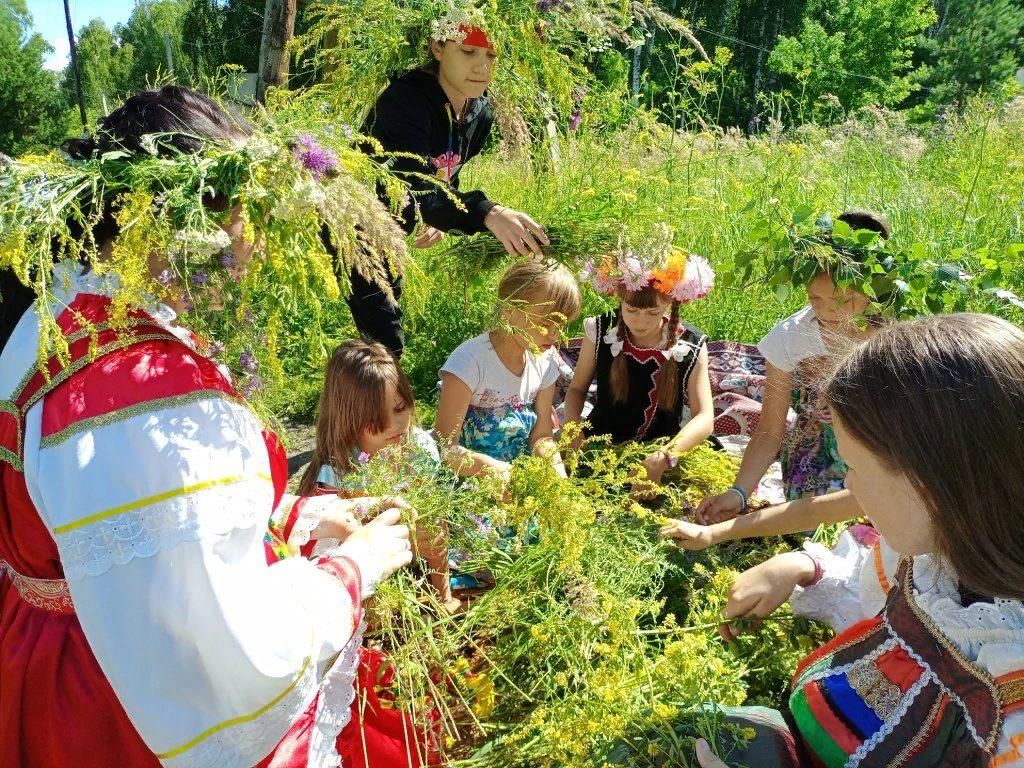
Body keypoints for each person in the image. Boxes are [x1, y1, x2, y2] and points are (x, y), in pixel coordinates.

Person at [0, 86, 414, 768]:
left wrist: (297, 516)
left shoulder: (56, 311)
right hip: (121, 700)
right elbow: (220, 649)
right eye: (248, 211)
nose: (252, 242)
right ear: (201, 221)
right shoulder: (143, 389)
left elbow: (123, 522)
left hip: (41, 658)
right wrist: (352, 566)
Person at [692, 313, 1024, 768]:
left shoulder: (1008, 690)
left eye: (853, 467)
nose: (849, 488)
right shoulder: (935, 556)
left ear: (927, 486)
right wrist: (802, 567)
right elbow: (867, 593)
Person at [348, 17, 549, 356]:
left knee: (384, 329)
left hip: (397, 225)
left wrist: (437, 215)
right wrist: (488, 213)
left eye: (491, 56)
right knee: (386, 343)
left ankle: (369, 395)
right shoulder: (403, 103)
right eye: (469, 51)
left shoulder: (480, 113)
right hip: (356, 223)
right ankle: (374, 403)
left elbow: (445, 171)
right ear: (437, 47)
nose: (481, 67)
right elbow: (416, 182)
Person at [696, 210, 890, 524]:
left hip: (884, 454)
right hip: (817, 465)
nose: (827, 310)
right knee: (828, 530)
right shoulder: (791, 338)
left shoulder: (896, 335)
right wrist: (739, 493)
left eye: (843, 300)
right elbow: (770, 431)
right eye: (815, 298)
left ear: (871, 291)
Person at [295, 340, 459, 611]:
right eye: (374, 418)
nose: (392, 426)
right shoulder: (337, 470)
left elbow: (432, 512)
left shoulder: (420, 447)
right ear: (347, 417)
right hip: (360, 561)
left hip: (412, 546)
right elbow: (329, 543)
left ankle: (443, 598)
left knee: (435, 527)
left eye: (399, 408)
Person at [564, 247, 716, 489]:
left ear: (669, 304)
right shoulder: (601, 330)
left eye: (652, 312)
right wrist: (572, 429)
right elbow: (576, 389)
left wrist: (663, 458)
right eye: (631, 310)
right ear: (620, 300)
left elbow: (705, 417)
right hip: (601, 445)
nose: (640, 321)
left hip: (662, 450)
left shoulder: (691, 344)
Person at [434, 259, 580, 480]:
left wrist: (557, 477)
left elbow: (541, 435)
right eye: (547, 322)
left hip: (517, 480)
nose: (555, 335)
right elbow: (445, 446)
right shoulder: (470, 362)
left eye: (562, 325)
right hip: (468, 481)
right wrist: (493, 471)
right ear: (510, 310)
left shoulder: (545, 361)